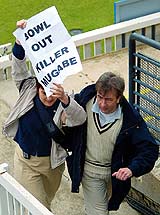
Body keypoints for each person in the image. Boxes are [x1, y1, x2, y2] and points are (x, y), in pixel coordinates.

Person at [3, 20, 86, 211]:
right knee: (37, 207)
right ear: (37, 87)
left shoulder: (65, 101)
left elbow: (80, 118)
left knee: (46, 202)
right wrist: (19, 42)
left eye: (53, 93)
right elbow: (19, 67)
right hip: (26, 162)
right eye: (44, 93)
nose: (49, 97)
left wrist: (65, 99)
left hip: (53, 165)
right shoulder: (27, 87)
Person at [64, 72, 159, 215]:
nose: (102, 104)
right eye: (100, 97)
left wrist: (131, 169)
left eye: (108, 100)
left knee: (107, 205)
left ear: (119, 98)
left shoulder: (131, 120)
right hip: (90, 172)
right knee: (99, 212)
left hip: (115, 175)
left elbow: (149, 149)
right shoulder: (84, 102)